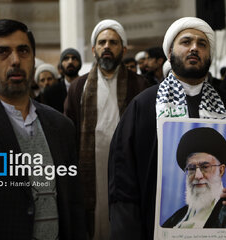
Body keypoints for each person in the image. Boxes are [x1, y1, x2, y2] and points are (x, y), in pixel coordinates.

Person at [108, 17, 226, 240]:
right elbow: (123, 182)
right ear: (170, 51)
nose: (194, 48)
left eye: (202, 44)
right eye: (186, 42)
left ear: (209, 55)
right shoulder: (142, 107)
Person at [0, 19, 87, 240]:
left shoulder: (61, 126)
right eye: (3, 52)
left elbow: (74, 205)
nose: (15, 61)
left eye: (23, 51)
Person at [65, 19, 149, 240]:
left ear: (123, 48)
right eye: (102, 42)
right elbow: (69, 132)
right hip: (90, 169)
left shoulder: (140, 85)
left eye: (113, 42)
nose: (107, 47)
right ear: (93, 49)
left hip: (127, 168)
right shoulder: (78, 87)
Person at [162, 127, 226, 229]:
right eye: (191, 168)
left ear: (221, 171)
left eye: (205, 167)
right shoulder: (176, 218)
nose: (198, 176)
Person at [43, 48, 82, 112]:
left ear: (80, 63)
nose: (70, 61)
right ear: (61, 64)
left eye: (74, 58)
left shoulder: (88, 86)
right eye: (66, 59)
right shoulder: (50, 92)